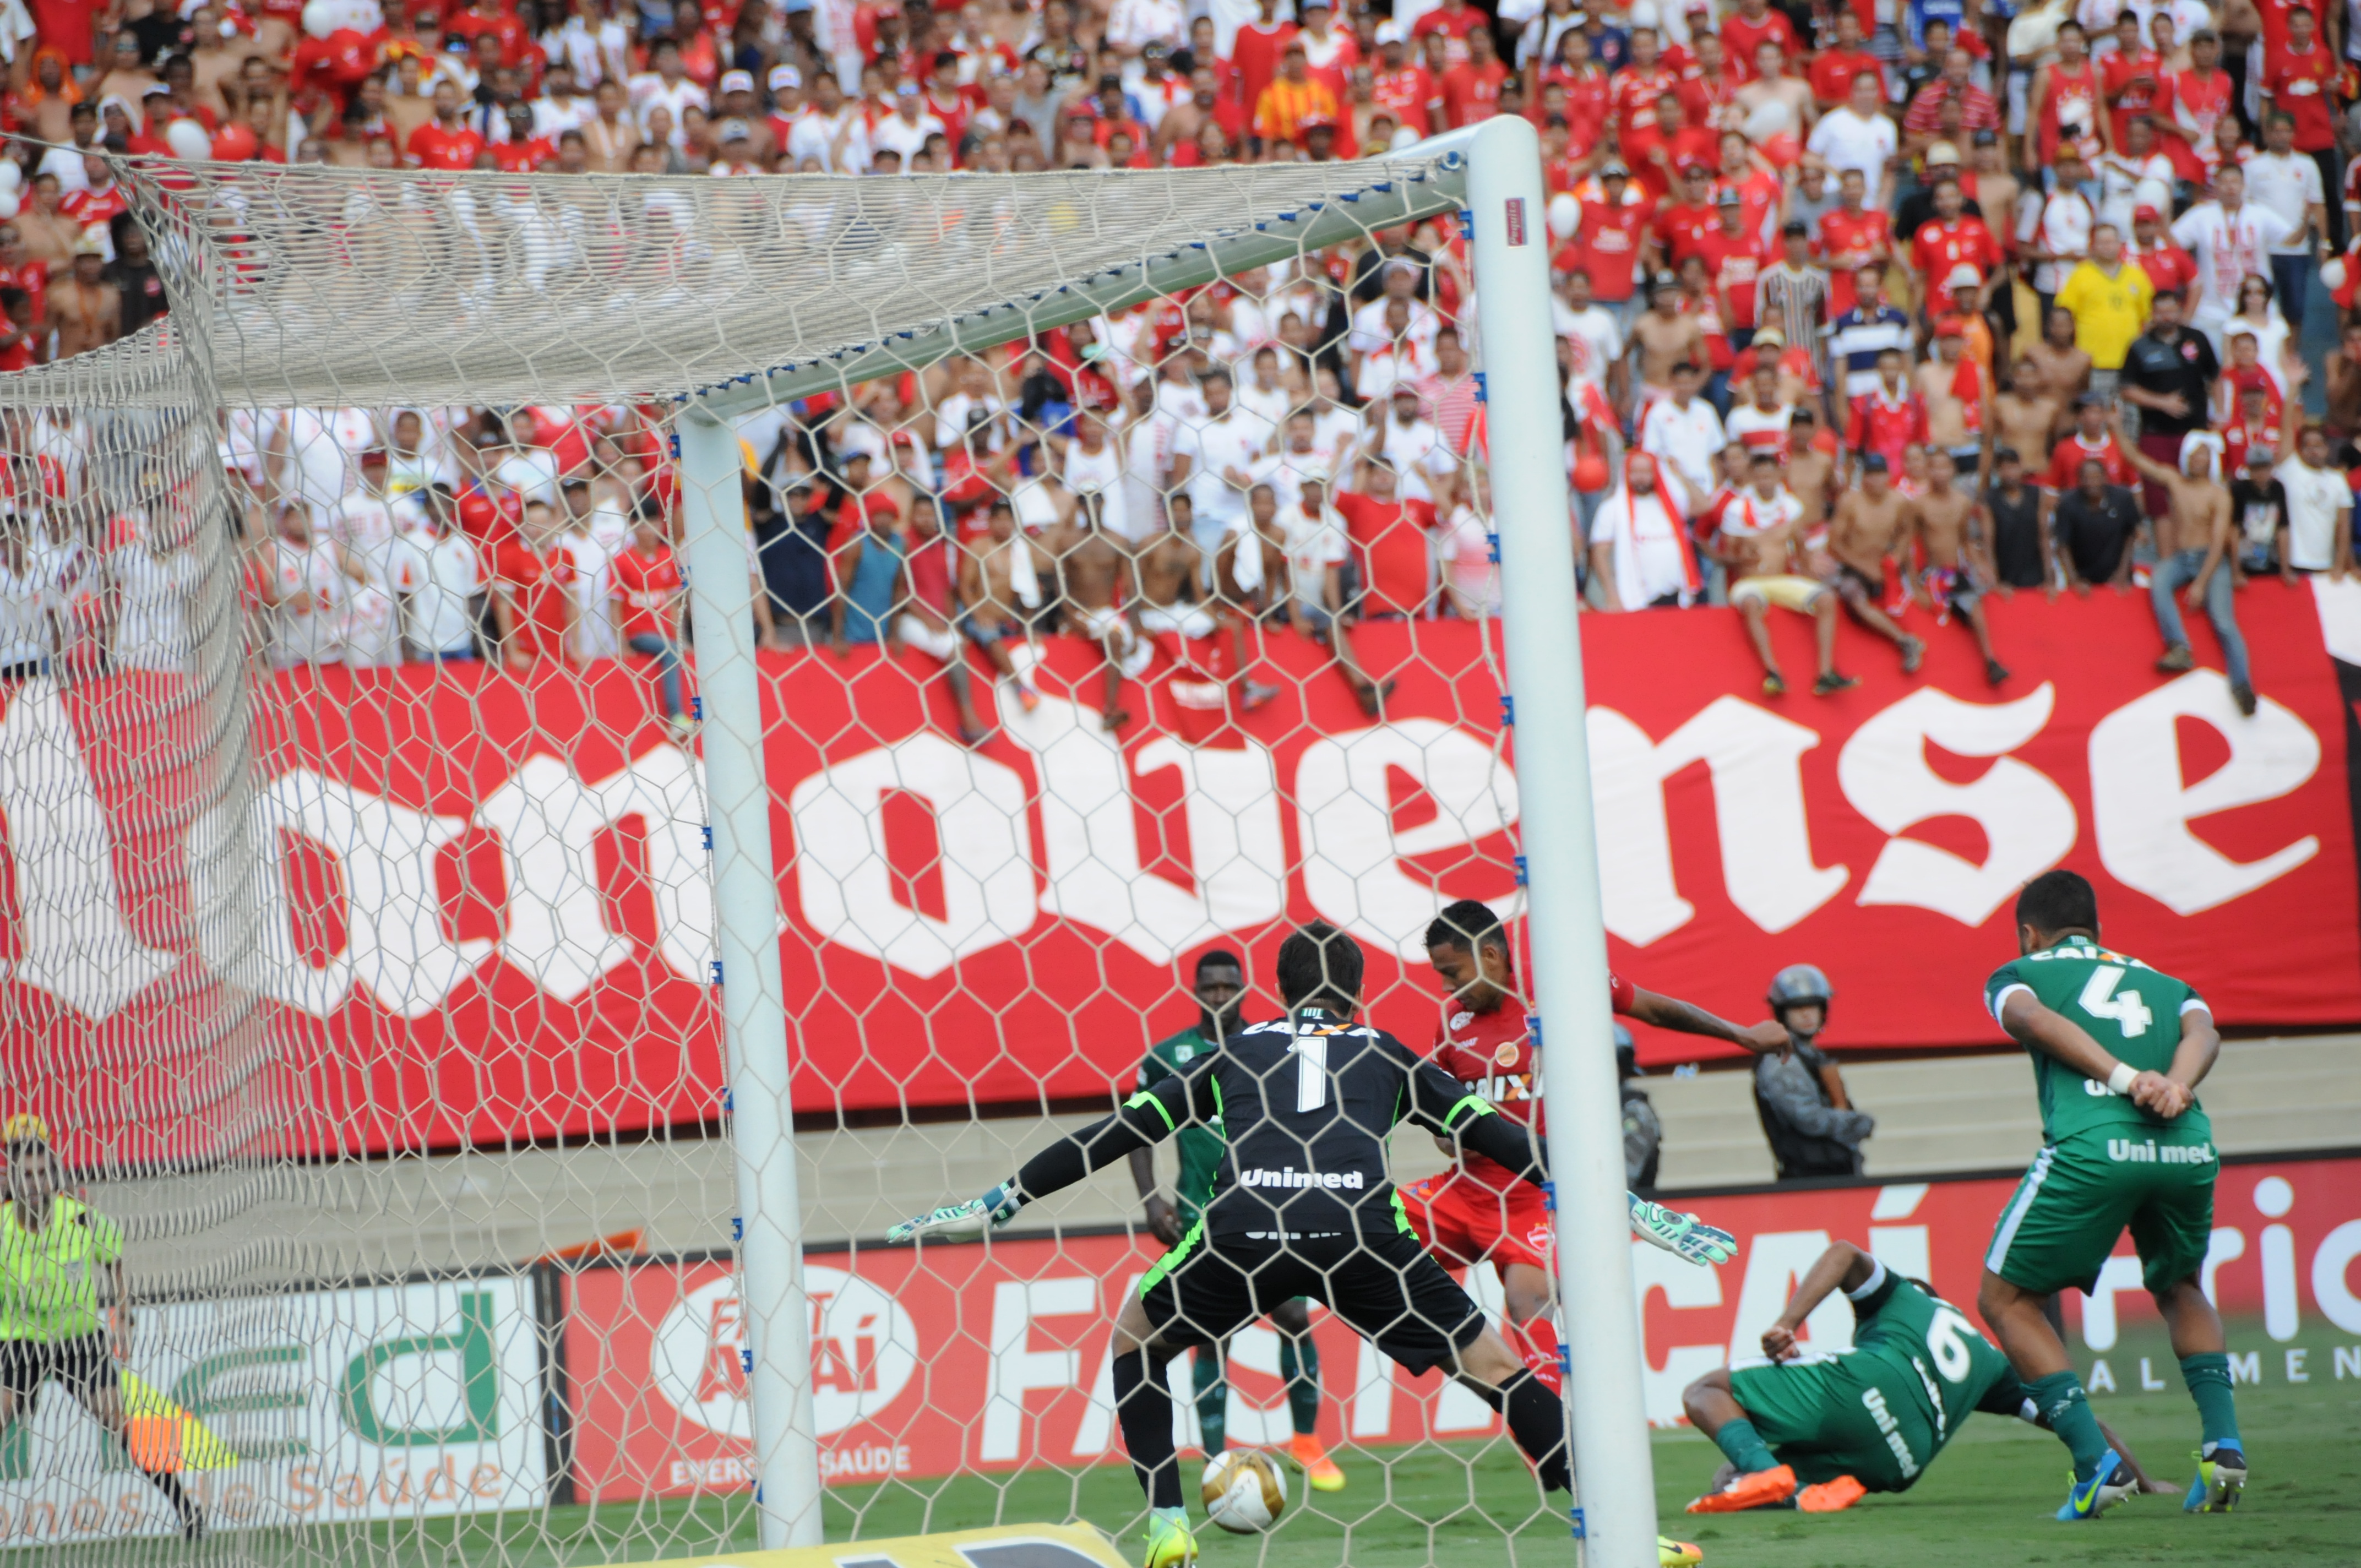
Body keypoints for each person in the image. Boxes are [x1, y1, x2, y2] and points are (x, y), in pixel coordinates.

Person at [886, 923, 1733, 1568]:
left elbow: (1120, 1132)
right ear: (1359, 994)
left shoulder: (1236, 1050)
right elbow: (1502, 1138)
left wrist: (1002, 1198)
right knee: (1498, 1368)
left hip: (1245, 1229)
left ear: (1277, 991)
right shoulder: (1384, 1051)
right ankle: (1626, 1540)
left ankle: (1169, 1524)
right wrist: (1628, 1205)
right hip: (1359, 1234)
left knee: (1137, 1344)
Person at [1413, 900, 1785, 1386]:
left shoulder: (1562, 986)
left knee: (1528, 1300)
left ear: (1490, 955)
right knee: (1361, 1231)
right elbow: (1438, 1108)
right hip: (1467, 1190)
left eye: (1452, 973)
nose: (1446, 987)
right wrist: (1448, 1136)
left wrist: (1742, 1035)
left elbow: (1653, 1008)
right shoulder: (1452, 1021)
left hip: (1538, 1195)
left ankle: (1556, 1425)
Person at [1977, 869, 2247, 1521]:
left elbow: (2027, 1017)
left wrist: (2127, 1079)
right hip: (2185, 1145)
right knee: (2182, 1286)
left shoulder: (2019, 971)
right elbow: (2205, 1033)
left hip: (2096, 1145)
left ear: (2029, 933)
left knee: (2006, 1300)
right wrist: (2177, 1085)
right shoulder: (2168, 983)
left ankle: (2094, 1463)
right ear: (2097, 930)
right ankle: (2224, 1449)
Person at [1680, 1240, 2167, 1515]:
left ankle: (1771, 1478)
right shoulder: (1990, 1363)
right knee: (1732, 1478)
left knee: (1706, 1392)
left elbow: (1843, 1253)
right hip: (1902, 1460)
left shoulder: (1901, 1297)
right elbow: (2079, 1423)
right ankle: (1797, 1492)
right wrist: (2144, 1481)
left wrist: (1788, 1322)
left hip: (1869, 1387)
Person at [1127, 951, 1342, 1492]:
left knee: (1294, 1315)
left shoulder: (1271, 1045)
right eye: (1211, 987)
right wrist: (1151, 1200)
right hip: (1201, 1214)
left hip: (1271, 1207)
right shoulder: (1167, 1056)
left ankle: (1307, 1441)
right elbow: (1136, 1129)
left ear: (1245, 988)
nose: (1219, 995)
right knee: (1211, 1333)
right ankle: (1216, 1461)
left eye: (1228, 986)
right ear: (1196, 990)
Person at [0, 1116, 205, 1539]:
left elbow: (114, 1263)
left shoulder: (81, 1219)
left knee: (121, 1424)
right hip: (21, 1341)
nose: (36, 1184)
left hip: (78, 1340)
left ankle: (187, 1510)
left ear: (54, 1174)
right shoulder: (2, 1229)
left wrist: (122, 1318)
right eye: (27, 1175)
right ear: (12, 1178)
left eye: (42, 1174)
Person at [2109, 414, 2255, 714]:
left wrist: (2201, 583)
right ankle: (2179, 646)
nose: (2197, 460)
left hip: (2209, 560)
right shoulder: (2175, 480)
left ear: (2211, 460)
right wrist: (2117, 427)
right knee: (2159, 582)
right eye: (2193, 455)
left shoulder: (2219, 494)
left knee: (2224, 621)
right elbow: (2137, 460)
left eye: (2203, 455)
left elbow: (2218, 543)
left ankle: (2242, 685)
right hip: (2181, 557)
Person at [1720, 450, 1856, 698]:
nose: (1764, 481)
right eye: (1759, 477)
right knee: (1751, 604)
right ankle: (1772, 672)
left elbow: (1801, 549)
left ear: (1779, 475)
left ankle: (1826, 673)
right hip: (1750, 581)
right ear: (1752, 477)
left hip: (1781, 578)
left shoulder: (1791, 506)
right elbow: (1726, 556)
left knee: (1826, 599)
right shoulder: (1737, 509)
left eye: (1769, 476)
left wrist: (1810, 575)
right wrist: (1743, 558)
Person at [1744, 965, 1873, 1181]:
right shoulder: (1781, 1059)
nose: (1806, 1014)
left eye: (1813, 1006)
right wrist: (1854, 1123)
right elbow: (1808, 1119)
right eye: (1797, 1008)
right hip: (1808, 1176)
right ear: (1782, 1013)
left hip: (1832, 1170)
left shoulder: (1810, 1055)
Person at [1910, 448, 2010, 685]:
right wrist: (1915, 586)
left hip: (1956, 572)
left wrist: (1981, 566)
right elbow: (1909, 546)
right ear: (1927, 471)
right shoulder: (1918, 505)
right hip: (1932, 573)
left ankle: (1991, 660)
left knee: (1976, 605)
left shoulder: (1963, 502)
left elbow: (1966, 541)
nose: (1940, 473)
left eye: (1944, 467)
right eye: (1934, 467)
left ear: (1952, 471)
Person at [1823, 457, 1925, 671]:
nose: (1876, 481)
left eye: (1880, 475)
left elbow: (1907, 532)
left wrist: (1897, 556)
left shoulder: (1900, 502)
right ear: (1864, 479)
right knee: (1853, 595)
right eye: (1871, 476)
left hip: (1883, 565)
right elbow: (1834, 545)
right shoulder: (1850, 502)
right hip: (1854, 565)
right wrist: (1864, 566)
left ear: (1888, 476)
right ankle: (1904, 640)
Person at [2119, 291, 2219, 507]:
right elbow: (2127, 390)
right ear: (2153, 314)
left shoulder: (2197, 338)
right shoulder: (2140, 346)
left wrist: (2220, 415)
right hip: (2156, 433)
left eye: (2171, 311)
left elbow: (2216, 378)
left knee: (2197, 499)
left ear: (2180, 311)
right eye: (2161, 312)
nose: (2167, 317)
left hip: (2195, 433)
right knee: (2159, 503)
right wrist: (2163, 403)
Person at [610, 511, 692, 735]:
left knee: (674, 649)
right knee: (672, 651)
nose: (650, 531)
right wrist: (622, 645)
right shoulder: (622, 561)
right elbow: (615, 607)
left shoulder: (669, 557)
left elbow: (674, 604)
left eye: (654, 524)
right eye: (644, 526)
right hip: (639, 635)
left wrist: (681, 638)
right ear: (634, 529)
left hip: (667, 635)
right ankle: (676, 717)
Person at [2053, 457, 2147, 595]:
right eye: (2086, 478)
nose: (2091, 483)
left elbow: (2130, 534)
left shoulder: (2123, 498)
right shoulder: (2067, 504)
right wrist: (2074, 580)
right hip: (2083, 577)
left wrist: (2122, 572)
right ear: (2079, 480)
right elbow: (2062, 545)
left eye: (2096, 477)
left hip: (2117, 576)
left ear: (2105, 478)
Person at [2276, 423, 2354, 583]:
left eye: (2318, 445)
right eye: (2308, 446)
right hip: (2293, 564)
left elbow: (2343, 526)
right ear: (2300, 450)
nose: (2313, 451)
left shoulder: (2338, 480)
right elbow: (2286, 427)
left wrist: (2340, 565)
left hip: (2325, 565)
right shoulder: (2289, 470)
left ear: (2327, 449)